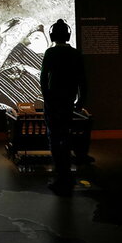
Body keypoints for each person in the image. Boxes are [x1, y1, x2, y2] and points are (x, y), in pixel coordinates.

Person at [40, 19, 87, 195]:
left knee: (54, 137)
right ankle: (66, 175)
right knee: (66, 137)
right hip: (68, 101)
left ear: (52, 35)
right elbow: (83, 80)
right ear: (68, 35)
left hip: (53, 102)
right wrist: (81, 101)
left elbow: (44, 78)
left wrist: (47, 98)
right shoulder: (76, 54)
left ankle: (61, 175)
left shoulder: (50, 53)